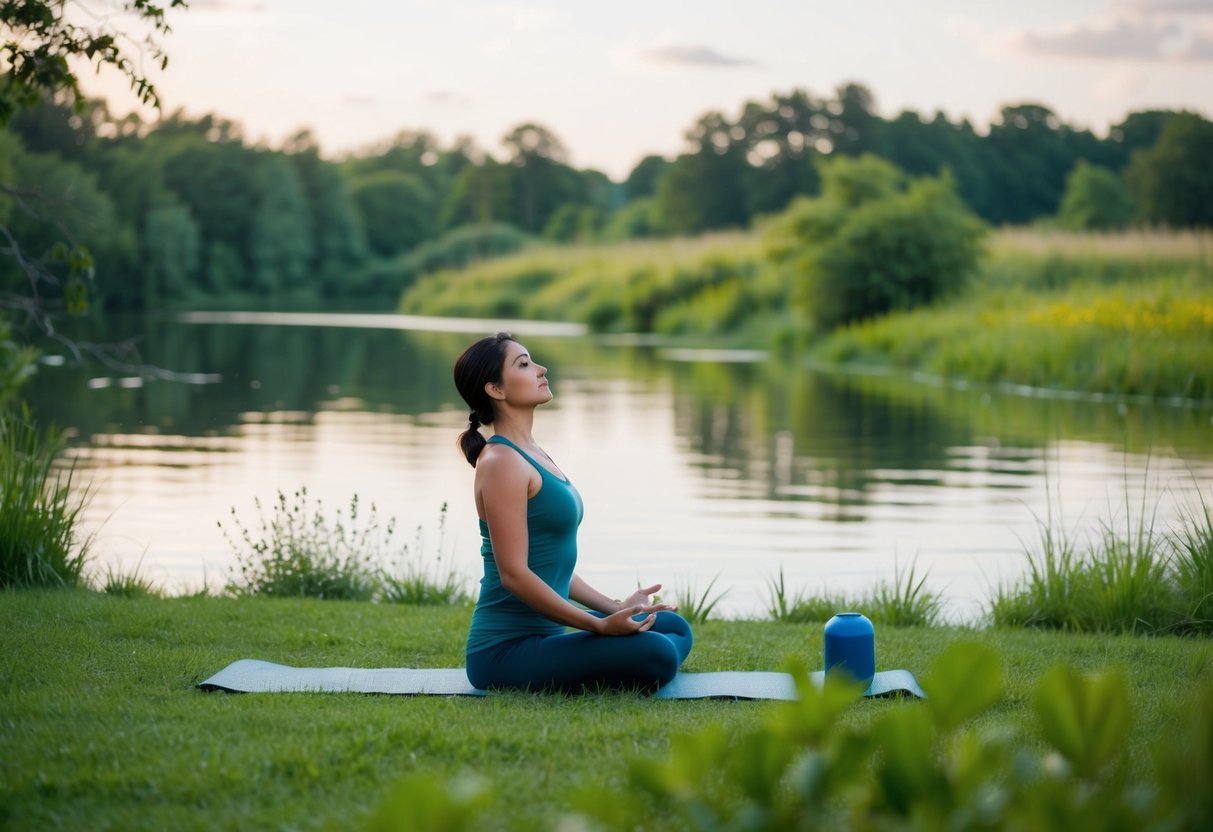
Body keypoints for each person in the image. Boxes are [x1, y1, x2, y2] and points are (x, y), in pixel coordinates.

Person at [453, 332, 693, 693]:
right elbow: (515, 576)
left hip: (548, 636)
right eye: (524, 364)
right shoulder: (501, 461)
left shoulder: (531, 452)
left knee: (674, 629)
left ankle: (616, 651)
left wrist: (614, 608)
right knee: (656, 651)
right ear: (496, 390)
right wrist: (597, 626)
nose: (541, 368)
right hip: (504, 652)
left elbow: (552, 566)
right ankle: (625, 655)